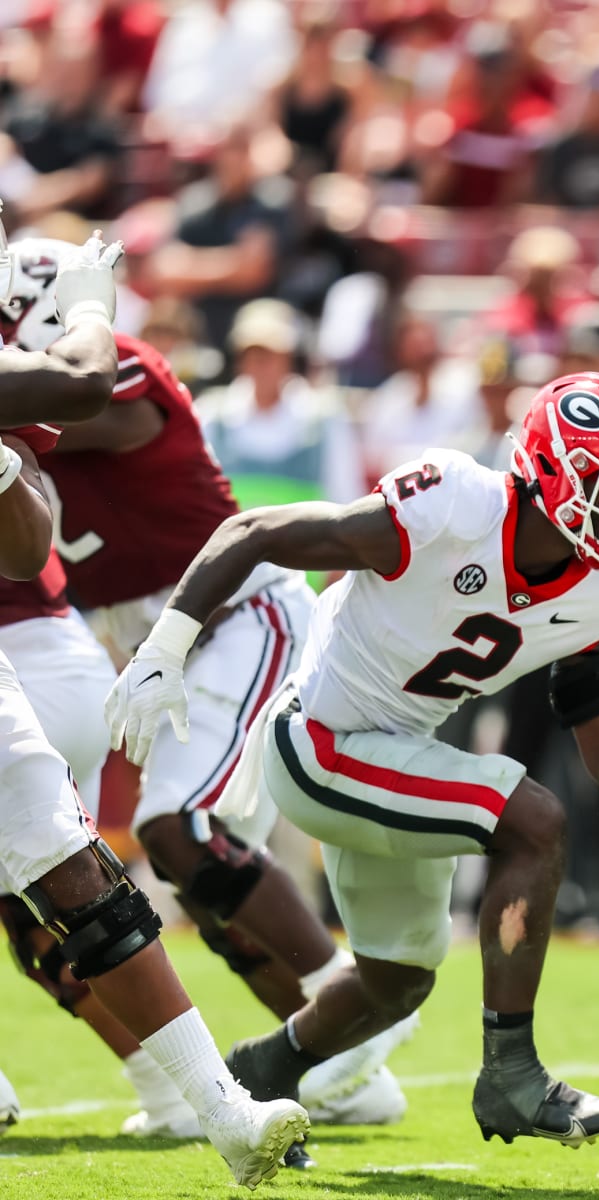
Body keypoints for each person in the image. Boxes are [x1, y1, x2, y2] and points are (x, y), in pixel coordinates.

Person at [105, 371, 599, 1147]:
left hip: (396, 758)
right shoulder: (453, 505)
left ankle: (252, 1077)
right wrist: (166, 649)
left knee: (395, 984)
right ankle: (513, 1077)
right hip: (319, 741)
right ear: (549, 471)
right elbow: (256, 533)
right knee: (534, 820)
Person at [0, 238, 411, 1142]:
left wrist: (75, 333)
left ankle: (352, 1024)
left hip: (229, 618)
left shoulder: (118, 372)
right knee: (137, 857)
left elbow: (73, 397)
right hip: (140, 642)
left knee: (181, 833)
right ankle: (330, 1045)